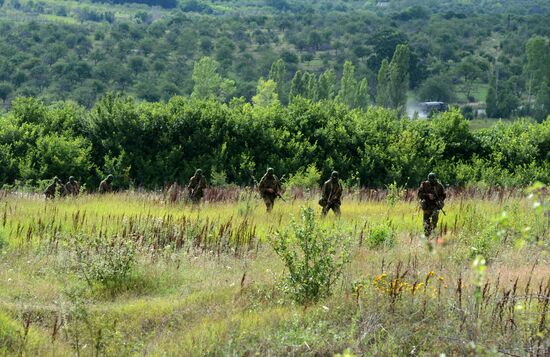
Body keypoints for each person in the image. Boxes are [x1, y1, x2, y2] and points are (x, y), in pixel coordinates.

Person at [418, 172, 446, 237]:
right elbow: (419, 194)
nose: (432, 182)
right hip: (427, 206)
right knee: (426, 222)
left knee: (434, 219)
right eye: (430, 180)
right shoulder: (424, 184)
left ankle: (433, 233)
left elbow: (443, 195)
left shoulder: (439, 186)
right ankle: (427, 236)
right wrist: (428, 195)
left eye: (433, 180)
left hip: (435, 205)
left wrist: (439, 200)